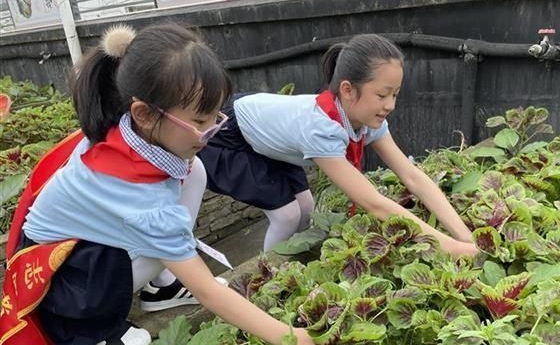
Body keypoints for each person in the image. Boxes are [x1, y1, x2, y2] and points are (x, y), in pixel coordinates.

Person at [0, 23, 329, 345]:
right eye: (199, 120)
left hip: (79, 246)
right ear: (144, 113)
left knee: (195, 172)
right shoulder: (138, 195)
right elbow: (208, 291)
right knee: (167, 251)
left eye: (215, 117)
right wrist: (289, 337)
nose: (210, 132)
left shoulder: (125, 129)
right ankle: (94, 326)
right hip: (60, 283)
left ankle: (161, 289)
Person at [197, 34, 479, 257]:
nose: (391, 105)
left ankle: (287, 264)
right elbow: (374, 203)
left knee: (305, 208)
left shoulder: (367, 119)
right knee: (286, 214)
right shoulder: (323, 129)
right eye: (382, 94)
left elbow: (412, 176)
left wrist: (464, 235)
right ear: (347, 89)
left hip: (265, 134)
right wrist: (450, 248)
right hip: (229, 133)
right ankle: (265, 275)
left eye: (395, 94)